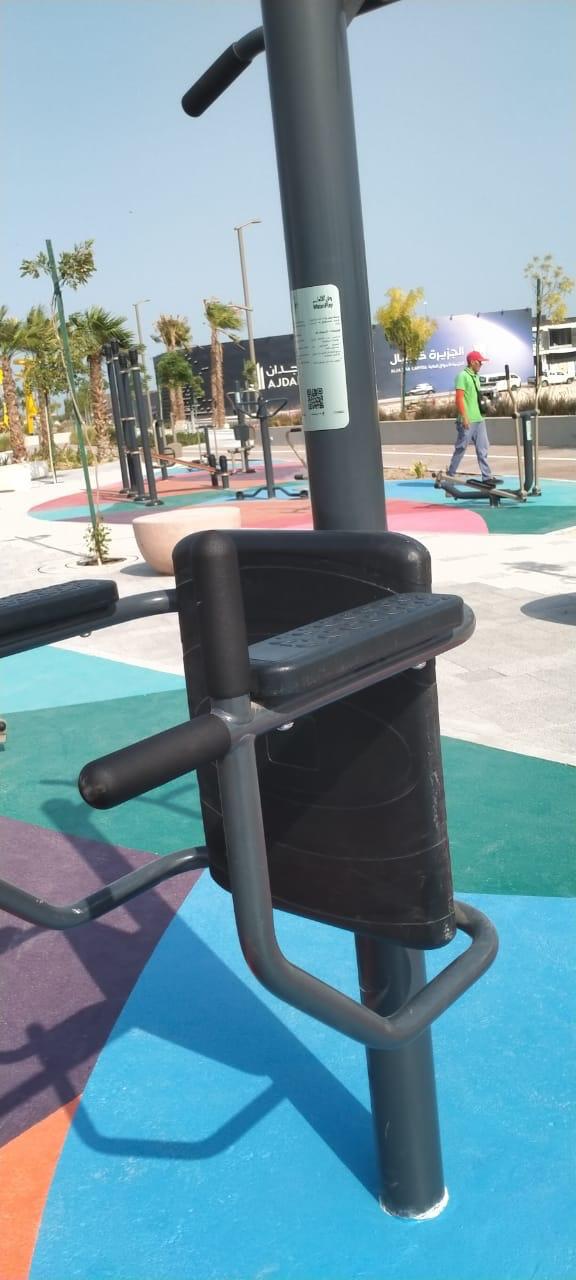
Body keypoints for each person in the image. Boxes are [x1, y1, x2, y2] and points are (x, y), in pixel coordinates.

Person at [446, 350, 496, 485]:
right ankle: (450, 475)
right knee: (461, 448)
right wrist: (464, 417)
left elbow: (475, 398)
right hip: (467, 420)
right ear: (472, 362)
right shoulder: (462, 376)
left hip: (479, 419)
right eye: (480, 362)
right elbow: (459, 399)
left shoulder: (476, 376)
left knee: (483, 448)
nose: (481, 364)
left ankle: (487, 477)